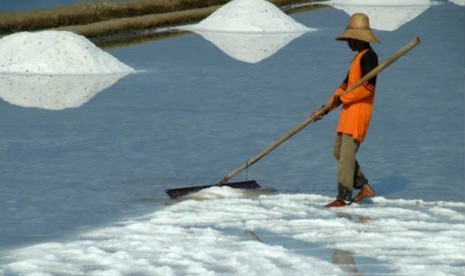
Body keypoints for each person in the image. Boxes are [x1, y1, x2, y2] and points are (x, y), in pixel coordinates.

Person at [311, 13, 378, 208]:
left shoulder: (369, 57)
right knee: (339, 152)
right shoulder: (358, 58)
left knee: (346, 156)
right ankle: (363, 186)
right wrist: (325, 108)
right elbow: (344, 86)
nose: (348, 42)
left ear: (359, 38)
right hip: (348, 112)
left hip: (358, 113)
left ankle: (343, 197)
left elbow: (367, 89)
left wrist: (343, 98)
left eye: (350, 38)